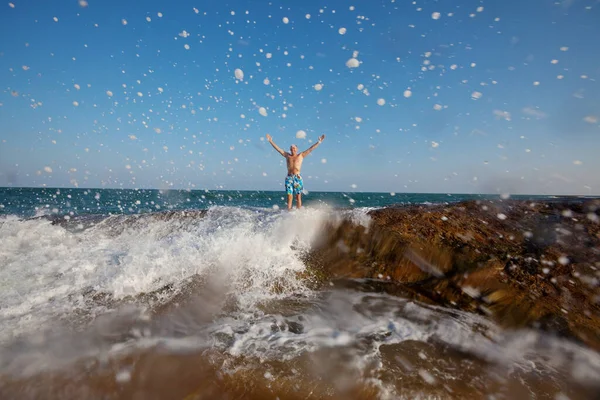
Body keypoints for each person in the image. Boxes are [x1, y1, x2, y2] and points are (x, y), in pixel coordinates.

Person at [266, 133, 326, 210]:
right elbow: (278, 149)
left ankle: (299, 212)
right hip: (289, 178)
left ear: (297, 149)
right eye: (291, 148)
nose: (293, 149)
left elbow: (311, 149)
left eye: (294, 148)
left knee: (298, 196)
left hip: (297, 178)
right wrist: (270, 141)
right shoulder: (287, 156)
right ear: (290, 149)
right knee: (289, 196)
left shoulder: (301, 155)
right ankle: (289, 211)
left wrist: (319, 142)